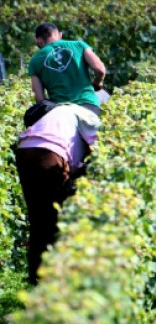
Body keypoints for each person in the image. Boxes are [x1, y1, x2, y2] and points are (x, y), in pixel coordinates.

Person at [15, 104, 101, 284]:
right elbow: (100, 150)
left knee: (37, 214)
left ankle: (36, 275)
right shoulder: (88, 117)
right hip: (51, 152)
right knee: (60, 215)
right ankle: (60, 276)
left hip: (24, 150)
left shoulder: (57, 117)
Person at [29, 22, 107, 116]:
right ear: (60, 35)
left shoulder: (34, 60)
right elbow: (100, 69)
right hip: (88, 105)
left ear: (38, 40)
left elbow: (39, 98)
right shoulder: (79, 45)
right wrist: (97, 83)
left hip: (60, 110)